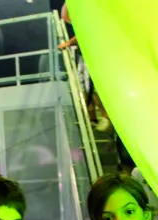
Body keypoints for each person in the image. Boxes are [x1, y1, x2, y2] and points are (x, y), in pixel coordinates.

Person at [57, 2, 111, 132]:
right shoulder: (72, 9)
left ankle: (105, 116)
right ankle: (92, 118)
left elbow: (85, 30)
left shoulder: (87, 10)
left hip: (91, 53)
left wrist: (68, 43)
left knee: (94, 87)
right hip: (82, 53)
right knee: (84, 87)